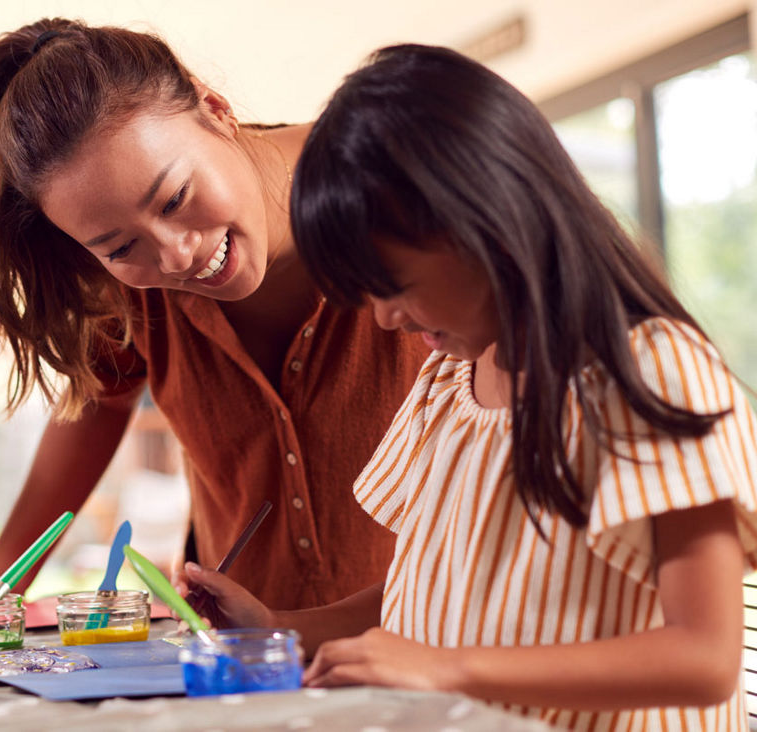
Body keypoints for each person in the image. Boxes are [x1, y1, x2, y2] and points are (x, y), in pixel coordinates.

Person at [185, 44, 757, 729]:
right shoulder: (451, 382)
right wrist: (280, 624)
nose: (387, 318)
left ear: (486, 223)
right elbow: (433, 587)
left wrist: (447, 668)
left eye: (393, 286)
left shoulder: (652, 370)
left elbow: (704, 658)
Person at [0, 17, 429, 611]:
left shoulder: (401, 182)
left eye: (175, 198)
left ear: (216, 109)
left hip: (448, 643)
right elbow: (97, 402)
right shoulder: (127, 286)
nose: (176, 256)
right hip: (242, 658)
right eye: (121, 247)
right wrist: (2, 574)